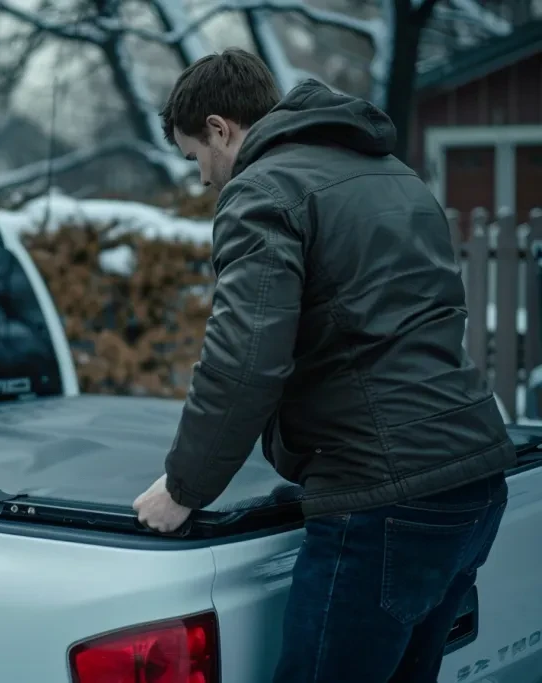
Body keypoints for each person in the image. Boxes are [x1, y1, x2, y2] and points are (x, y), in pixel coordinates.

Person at [132, 48, 516, 682]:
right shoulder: (394, 173)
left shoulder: (263, 189)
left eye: (196, 156)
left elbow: (246, 358)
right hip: (474, 481)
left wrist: (183, 489)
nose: (202, 179)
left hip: (384, 498)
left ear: (221, 128)